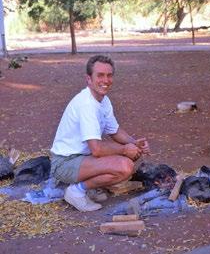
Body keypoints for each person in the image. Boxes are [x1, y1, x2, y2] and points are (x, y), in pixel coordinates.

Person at [50, 55, 150, 212]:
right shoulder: (86, 104)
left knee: (126, 156)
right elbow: (96, 149)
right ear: (88, 79)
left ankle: (88, 187)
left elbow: (114, 131)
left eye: (109, 75)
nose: (106, 80)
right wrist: (125, 149)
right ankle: (76, 191)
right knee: (125, 166)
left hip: (82, 157)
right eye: (100, 75)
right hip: (64, 163)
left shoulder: (103, 100)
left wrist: (133, 144)